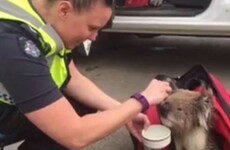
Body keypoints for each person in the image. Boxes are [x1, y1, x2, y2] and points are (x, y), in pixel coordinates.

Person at [0, 0, 172, 150]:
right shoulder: (12, 44)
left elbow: (73, 79)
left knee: (80, 106)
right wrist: (140, 101)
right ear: (64, 10)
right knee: (77, 126)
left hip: (10, 114)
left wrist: (125, 113)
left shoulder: (43, 19)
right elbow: (75, 135)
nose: (94, 37)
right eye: (92, 28)